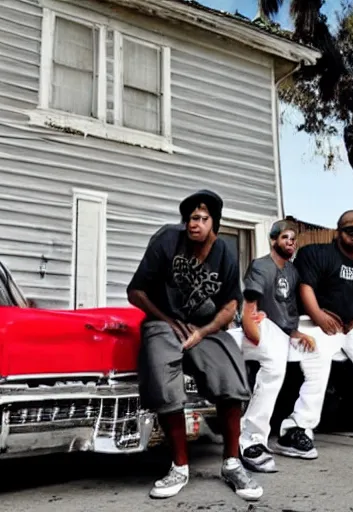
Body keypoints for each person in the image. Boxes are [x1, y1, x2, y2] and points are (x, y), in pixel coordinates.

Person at [127, 190, 262, 501]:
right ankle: (179, 466)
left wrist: (203, 333)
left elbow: (230, 305)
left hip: (206, 325)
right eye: (190, 218)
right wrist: (168, 320)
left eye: (202, 218)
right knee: (162, 372)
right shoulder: (166, 242)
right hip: (165, 321)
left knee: (231, 373)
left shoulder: (225, 253)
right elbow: (135, 291)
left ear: (214, 223)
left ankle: (231, 463)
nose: (194, 224)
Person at [275, 210, 353, 457]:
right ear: (338, 231)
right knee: (317, 371)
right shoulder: (317, 254)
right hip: (318, 323)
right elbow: (305, 287)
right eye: (351, 230)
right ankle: (295, 428)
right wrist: (319, 317)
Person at [229, 221, 316, 473]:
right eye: (286, 237)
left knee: (315, 353)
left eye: (294, 239)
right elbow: (249, 310)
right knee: (273, 362)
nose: (291, 242)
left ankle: (295, 428)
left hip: (279, 333)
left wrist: (298, 334)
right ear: (273, 240)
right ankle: (250, 440)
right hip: (256, 328)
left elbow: (287, 313)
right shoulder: (261, 266)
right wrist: (256, 336)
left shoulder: (292, 272)